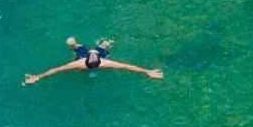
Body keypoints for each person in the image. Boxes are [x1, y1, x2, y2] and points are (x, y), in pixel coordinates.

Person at [23, 37, 163, 84]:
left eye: (93, 51)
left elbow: (57, 70)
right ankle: (79, 45)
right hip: (91, 60)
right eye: (92, 51)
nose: (92, 50)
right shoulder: (104, 62)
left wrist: (38, 76)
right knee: (104, 45)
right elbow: (128, 67)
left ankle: (74, 45)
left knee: (76, 46)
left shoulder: (81, 62)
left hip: (86, 61)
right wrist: (147, 71)